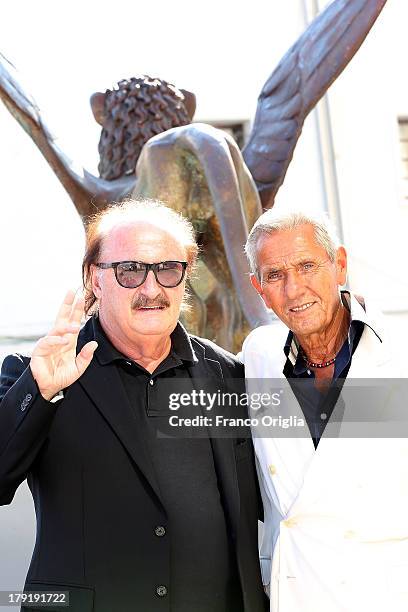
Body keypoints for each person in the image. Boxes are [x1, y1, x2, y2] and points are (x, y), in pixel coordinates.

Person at [0, 199, 266, 612]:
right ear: (94, 278)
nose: (151, 288)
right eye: (130, 270)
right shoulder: (36, 373)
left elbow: (291, 485)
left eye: (167, 270)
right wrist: (40, 390)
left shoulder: (229, 375)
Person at [240, 209, 406, 612]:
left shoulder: (398, 357)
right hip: (299, 592)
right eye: (275, 275)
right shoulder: (258, 356)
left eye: (307, 265)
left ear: (340, 265)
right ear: (258, 288)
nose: (294, 289)